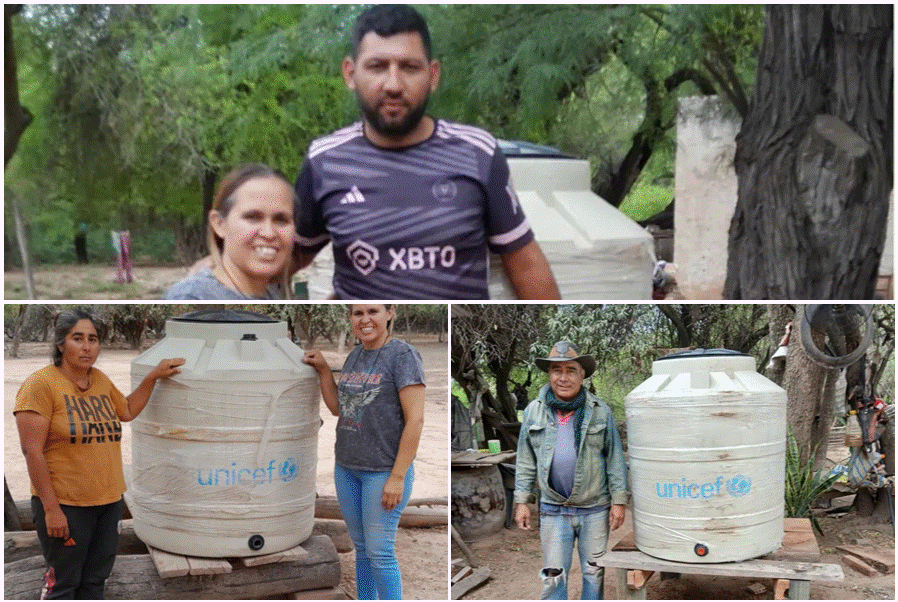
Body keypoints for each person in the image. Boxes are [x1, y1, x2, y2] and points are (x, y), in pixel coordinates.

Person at [293, 4, 560, 300]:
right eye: (377, 66)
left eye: (409, 67)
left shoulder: (477, 153)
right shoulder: (324, 162)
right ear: (350, 73)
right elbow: (285, 260)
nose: (393, 85)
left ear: (432, 75)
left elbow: (524, 263)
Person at [13, 309, 185, 599]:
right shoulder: (40, 385)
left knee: (95, 582)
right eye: (77, 338)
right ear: (60, 344)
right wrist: (52, 510)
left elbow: (127, 411)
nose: (87, 347)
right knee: (63, 585)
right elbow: (32, 452)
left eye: (93, 339)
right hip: (66, 506)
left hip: (108, 504)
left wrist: (153, 377)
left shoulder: (101, 380)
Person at [303, 304, 425, 599]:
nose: (365, 320)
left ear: (391, 312)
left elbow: (416, 419)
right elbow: (338, 409)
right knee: (362, 549)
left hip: (383, 472)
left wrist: (397, 476)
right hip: (347, 468)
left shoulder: (402, 356)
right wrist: (322, 369)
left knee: (380, 553)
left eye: (373, 311)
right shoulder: (356, 355)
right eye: (357, 314)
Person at [514, 341, 629, 600]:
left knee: (594, 572)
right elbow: (525, 460)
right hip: (553, 509)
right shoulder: (534, 411)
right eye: (556, 370)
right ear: (549, 374)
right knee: (553, 576)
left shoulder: (600, 412)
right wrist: (521, 501)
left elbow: (614, 459)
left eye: (571, 370)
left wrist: (619, 501)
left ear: (582, 375)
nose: (563, 378)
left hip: (595, 508)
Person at [166, 163, 295, 300]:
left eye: (281, 220)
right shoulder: (194, 299)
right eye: (253, 217)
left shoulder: (273, 297)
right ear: (219, 224)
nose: (269, 233)